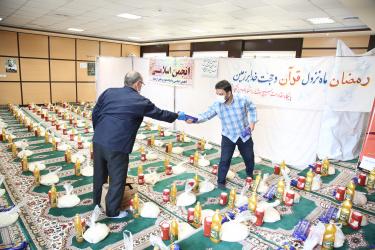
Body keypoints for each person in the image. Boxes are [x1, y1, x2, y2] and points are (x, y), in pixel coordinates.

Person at [92, 71, 185, 218]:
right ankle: (112, 212)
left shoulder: (108, 92)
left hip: (98, 140)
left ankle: (97, 201)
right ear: (137, 83)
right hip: (117, 144)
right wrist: (178, 116)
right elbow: (160, 114)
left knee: (99, 173)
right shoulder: (140, 101)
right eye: (141, 84)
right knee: (117, 178)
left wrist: (98, 131)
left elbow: (95, 112)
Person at [185, 80, 257, 190]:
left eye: (221, 94)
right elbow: (206, 115)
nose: (218, 97)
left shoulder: (243, 99)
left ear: (229, 93)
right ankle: (221, 181)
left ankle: (249, 175)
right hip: (228, 135)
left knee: (249, 157)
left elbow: (252, 108)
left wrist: (252, 122)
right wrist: (194, 120)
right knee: (224, 160)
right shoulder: (217, 105)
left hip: (244, 134)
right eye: (217, 94)